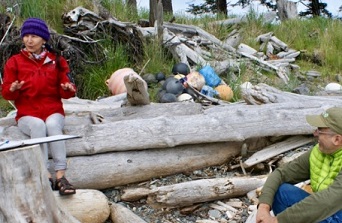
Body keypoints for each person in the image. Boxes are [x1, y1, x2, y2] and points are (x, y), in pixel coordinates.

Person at [1, 18, 76, 195]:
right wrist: (12, 89)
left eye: (33, 36)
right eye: (26, 36)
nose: (29, 40)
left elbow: (68, 89)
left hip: (53, 110)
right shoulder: (14, 62)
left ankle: (60, 176)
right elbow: (6, 93)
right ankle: (43, 176)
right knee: (38, 125)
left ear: (43, 39)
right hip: (27, 114)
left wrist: (67, 88)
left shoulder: (56, 60)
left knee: (51, 125)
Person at [256, 107, 342, 223]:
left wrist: (277, 220)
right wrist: (263, 206)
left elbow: (327, 201)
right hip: (326, 210)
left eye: (320, 130)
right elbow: (281, 174)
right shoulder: (319, 152)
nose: (315, 133)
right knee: (281, 191)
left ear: (337, 139)